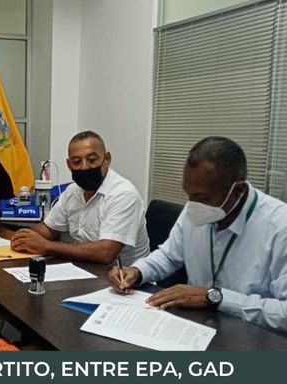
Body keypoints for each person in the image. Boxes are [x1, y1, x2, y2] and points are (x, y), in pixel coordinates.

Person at [109, 136, 287, 334]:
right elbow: (168, 256)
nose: (192, 205)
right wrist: (137, 271)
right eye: (188, 194)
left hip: (250, 337)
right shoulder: (195, 208)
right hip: (193, 327)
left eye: (202, 197)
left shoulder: (280, 227)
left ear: (238, 190)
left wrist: (215, 298)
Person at [11, 130, 149, 265]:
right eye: (77, 162)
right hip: (85, 268)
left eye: (92, 160)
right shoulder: (72, 191)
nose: (84, 167)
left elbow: (105, 253)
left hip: (124, 276)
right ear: (69, 165)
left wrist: (46, 246)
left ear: (107, 159)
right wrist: (22, 237)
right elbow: (48, 229)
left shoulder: (123, 195)